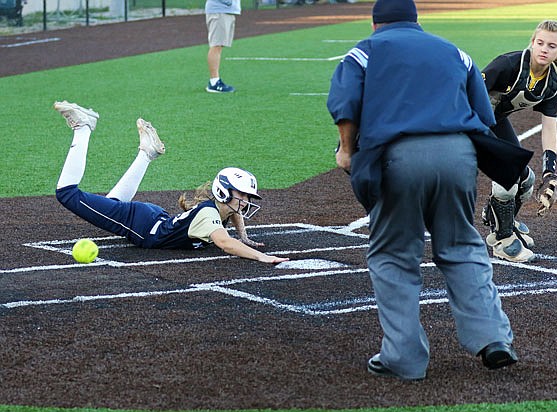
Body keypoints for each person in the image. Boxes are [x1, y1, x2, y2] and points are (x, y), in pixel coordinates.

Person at [327, 0, 519, 380]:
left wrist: (347, 151)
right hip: (458, 156)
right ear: (416, 20)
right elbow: (483, 115)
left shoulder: (364, 51)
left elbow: (345, 104)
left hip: (398, 158)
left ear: (375, 22)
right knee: (462, 247)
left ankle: (404, 358)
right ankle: (494, 338)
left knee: (394, 255)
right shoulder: (454, 52)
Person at [53, 100, 288, 264]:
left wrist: (244, 235)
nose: (246, 202)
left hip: (149, 219)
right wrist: (260, 256)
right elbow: (225, 243)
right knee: (67, 194)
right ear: (224, 192)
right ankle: (83, 128)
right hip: (140, 225)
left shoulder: (221, 206)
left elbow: (233, 212)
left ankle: (146, 154)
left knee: (112, 205)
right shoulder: (209, 214)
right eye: (242, 195)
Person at [481, 20, 557, 262]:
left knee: (526, 178)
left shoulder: (551, 85)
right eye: (539, 43)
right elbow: (471, 93)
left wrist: (550, 172)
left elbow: (549, 128)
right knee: (508, 172)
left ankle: (501, 222)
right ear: (532, 43)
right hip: (471, 119)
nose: (544, 49)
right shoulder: (509, 64)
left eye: (551, 46)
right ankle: (503, 240)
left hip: (495, 120)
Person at [204, 0, 241, 93]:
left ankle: (215, 81)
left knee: (218, 45)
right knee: (216, 45)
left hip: (225, 10)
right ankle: (214, 82)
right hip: (219, 10)